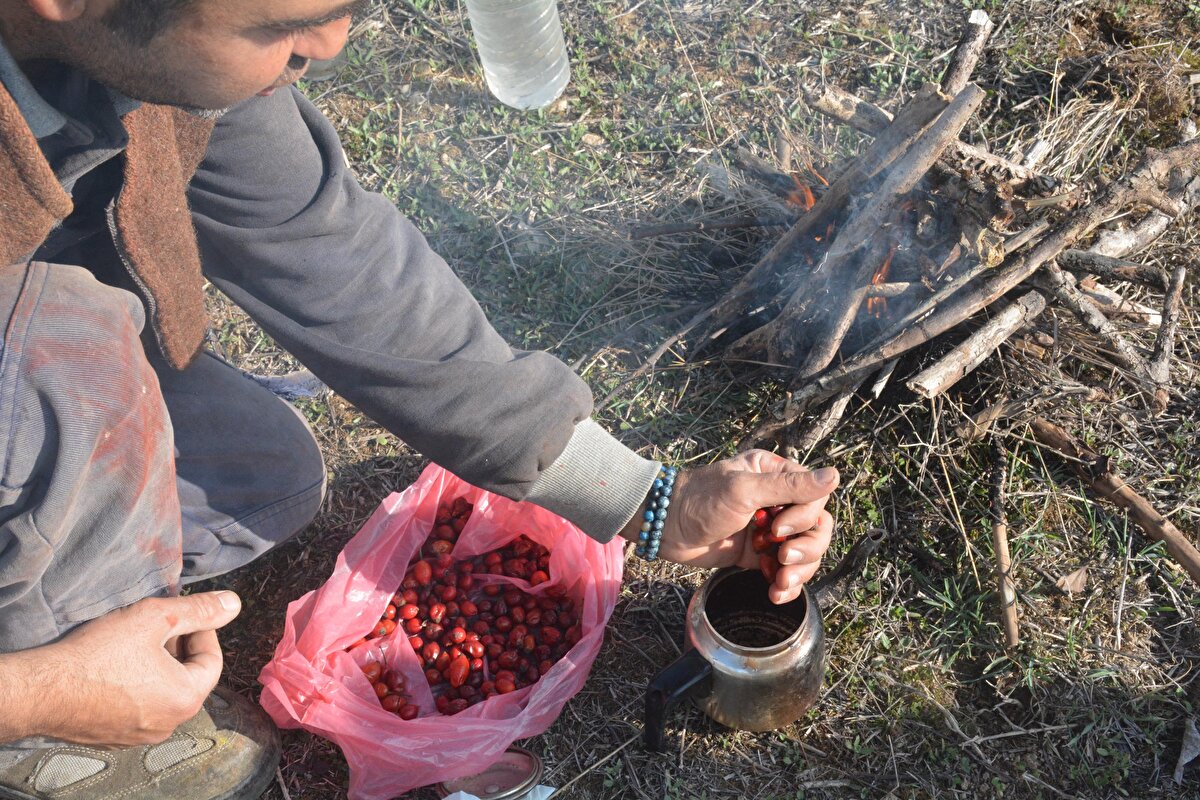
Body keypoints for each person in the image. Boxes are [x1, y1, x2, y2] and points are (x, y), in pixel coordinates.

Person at [0, 1, 840, 797]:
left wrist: (647, 502)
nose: (329, 48)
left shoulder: (172, 46)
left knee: (265, 479)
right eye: (282, 26)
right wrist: (37, 690)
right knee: (62, 369)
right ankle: (52, 736)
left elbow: (329, 256)